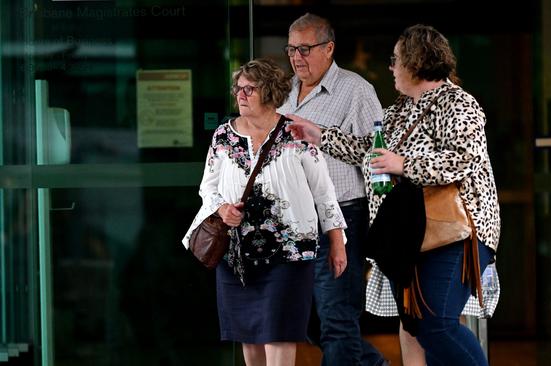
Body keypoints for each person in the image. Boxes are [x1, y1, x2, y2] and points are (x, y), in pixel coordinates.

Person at [287, 24, 501, 366]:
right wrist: (319, 136)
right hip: (411, 235)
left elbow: (462, 160)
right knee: (415, 324)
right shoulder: (401, 109)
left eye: (395, 59)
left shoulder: (457, 103)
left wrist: (402, 163)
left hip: (455, 232)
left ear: (416, 62)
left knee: (437, 324)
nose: (390, 67)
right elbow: (370, 151)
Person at [182, 58, 347, 366]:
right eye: (238, 89)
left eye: (249, 89)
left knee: (279, 335)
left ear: (270, 92)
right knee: (251, 341)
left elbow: (323, 191)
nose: (240, 95)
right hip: (237, 257)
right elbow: (208, 187)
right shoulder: (222, 136)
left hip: (290, 253)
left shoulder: (296, 132)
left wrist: (336, 241)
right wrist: (222, 209)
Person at [276, 13, 389, 366]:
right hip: (293, 223)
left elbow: (377, 154)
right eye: (292, 48)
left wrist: (321, 135)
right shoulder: (283, 93)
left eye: (305, 49)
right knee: (307, 320)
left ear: (329, 49)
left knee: (337, 320)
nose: (297, 57)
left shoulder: (355, 90)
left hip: (340, 218)